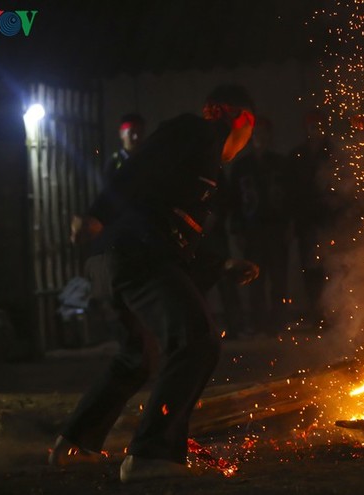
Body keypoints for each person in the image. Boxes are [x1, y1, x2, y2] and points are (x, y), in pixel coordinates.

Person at [50, 85, 259, 483]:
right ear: (240, 118)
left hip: (113, 258)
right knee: (196, 341)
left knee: (137, 357)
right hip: (133, 251)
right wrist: (97, 213)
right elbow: (137, 166)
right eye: (247, 131)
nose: (244, 144)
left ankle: (75, 444)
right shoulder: (197, 131)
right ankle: (152, 454)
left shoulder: (202, 167)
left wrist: (223, 263)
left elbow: (178, 239)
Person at [230, 116, 293, 335]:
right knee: (254, 279)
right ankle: (258, 323)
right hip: (252, 231)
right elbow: (234, 202)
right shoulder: (241, 167)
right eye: (257, 135)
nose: (261, 139)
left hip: (276, 229)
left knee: (278, 278)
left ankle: (277, 324)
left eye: (265, 135)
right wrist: (237, 231)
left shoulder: (280, 164)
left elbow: (290, 199)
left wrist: (289, 226)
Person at [287, 110, 336, 328]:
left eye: (319, 126)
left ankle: (333, 315)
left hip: (329, 222)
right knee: (310, 270)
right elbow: (293, 192)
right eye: (312, 127)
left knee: (331, 268)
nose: (316, 131)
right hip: (307, 222)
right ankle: (316, 313)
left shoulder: (333, 154)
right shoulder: (299, 156)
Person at [104, 113, 145, 185]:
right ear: (121, 134)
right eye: (131, 132)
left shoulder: (148, 158)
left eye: (140, 132)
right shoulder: (114, 163)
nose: (136, 137)